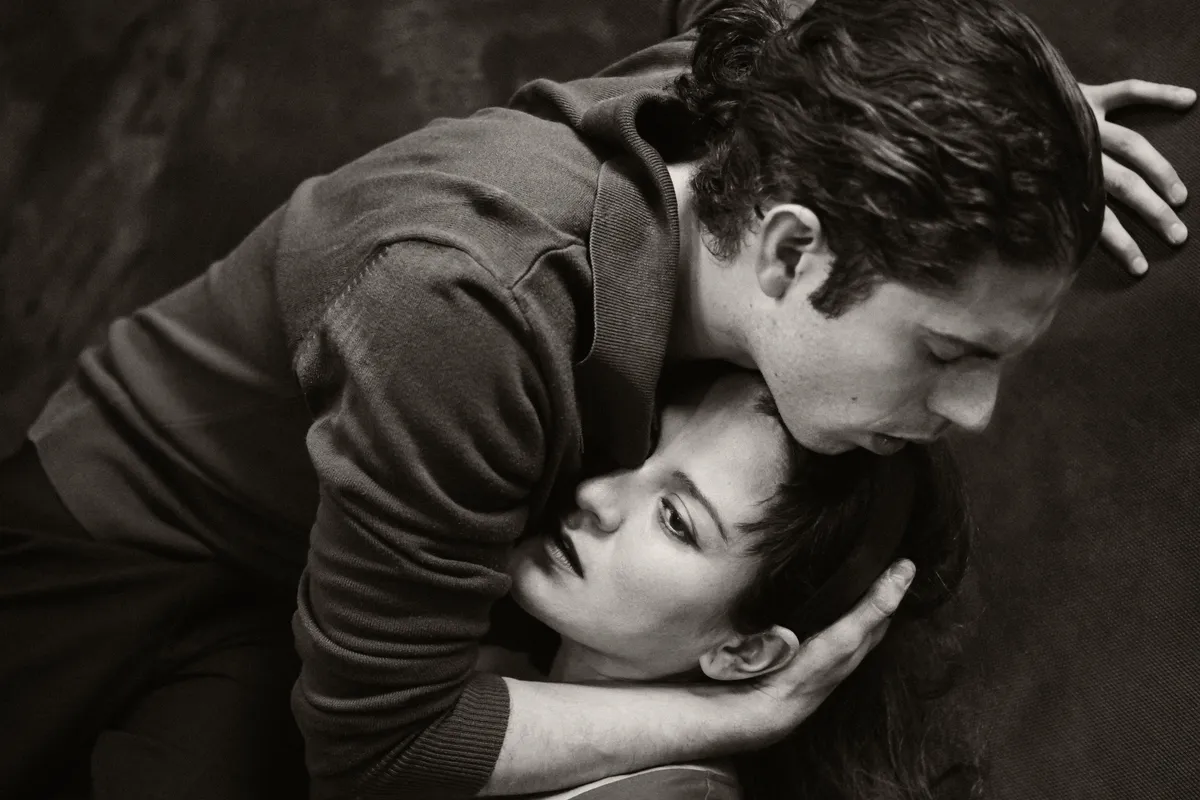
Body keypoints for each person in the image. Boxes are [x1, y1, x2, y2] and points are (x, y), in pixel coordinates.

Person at [0, 0, 1192, 797]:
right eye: (946, 349)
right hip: (145, 552)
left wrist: (1008, 139)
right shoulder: (463, 301)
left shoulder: (773, 112)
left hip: (368, 574)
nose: (976, 411)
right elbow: (381, 745)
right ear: (790, 251)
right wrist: (733, 715)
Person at [483, 367, 977, 800]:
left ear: (745, 651)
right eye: (643, 446)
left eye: (675, 520)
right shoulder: (481, 670)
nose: (596, 494)